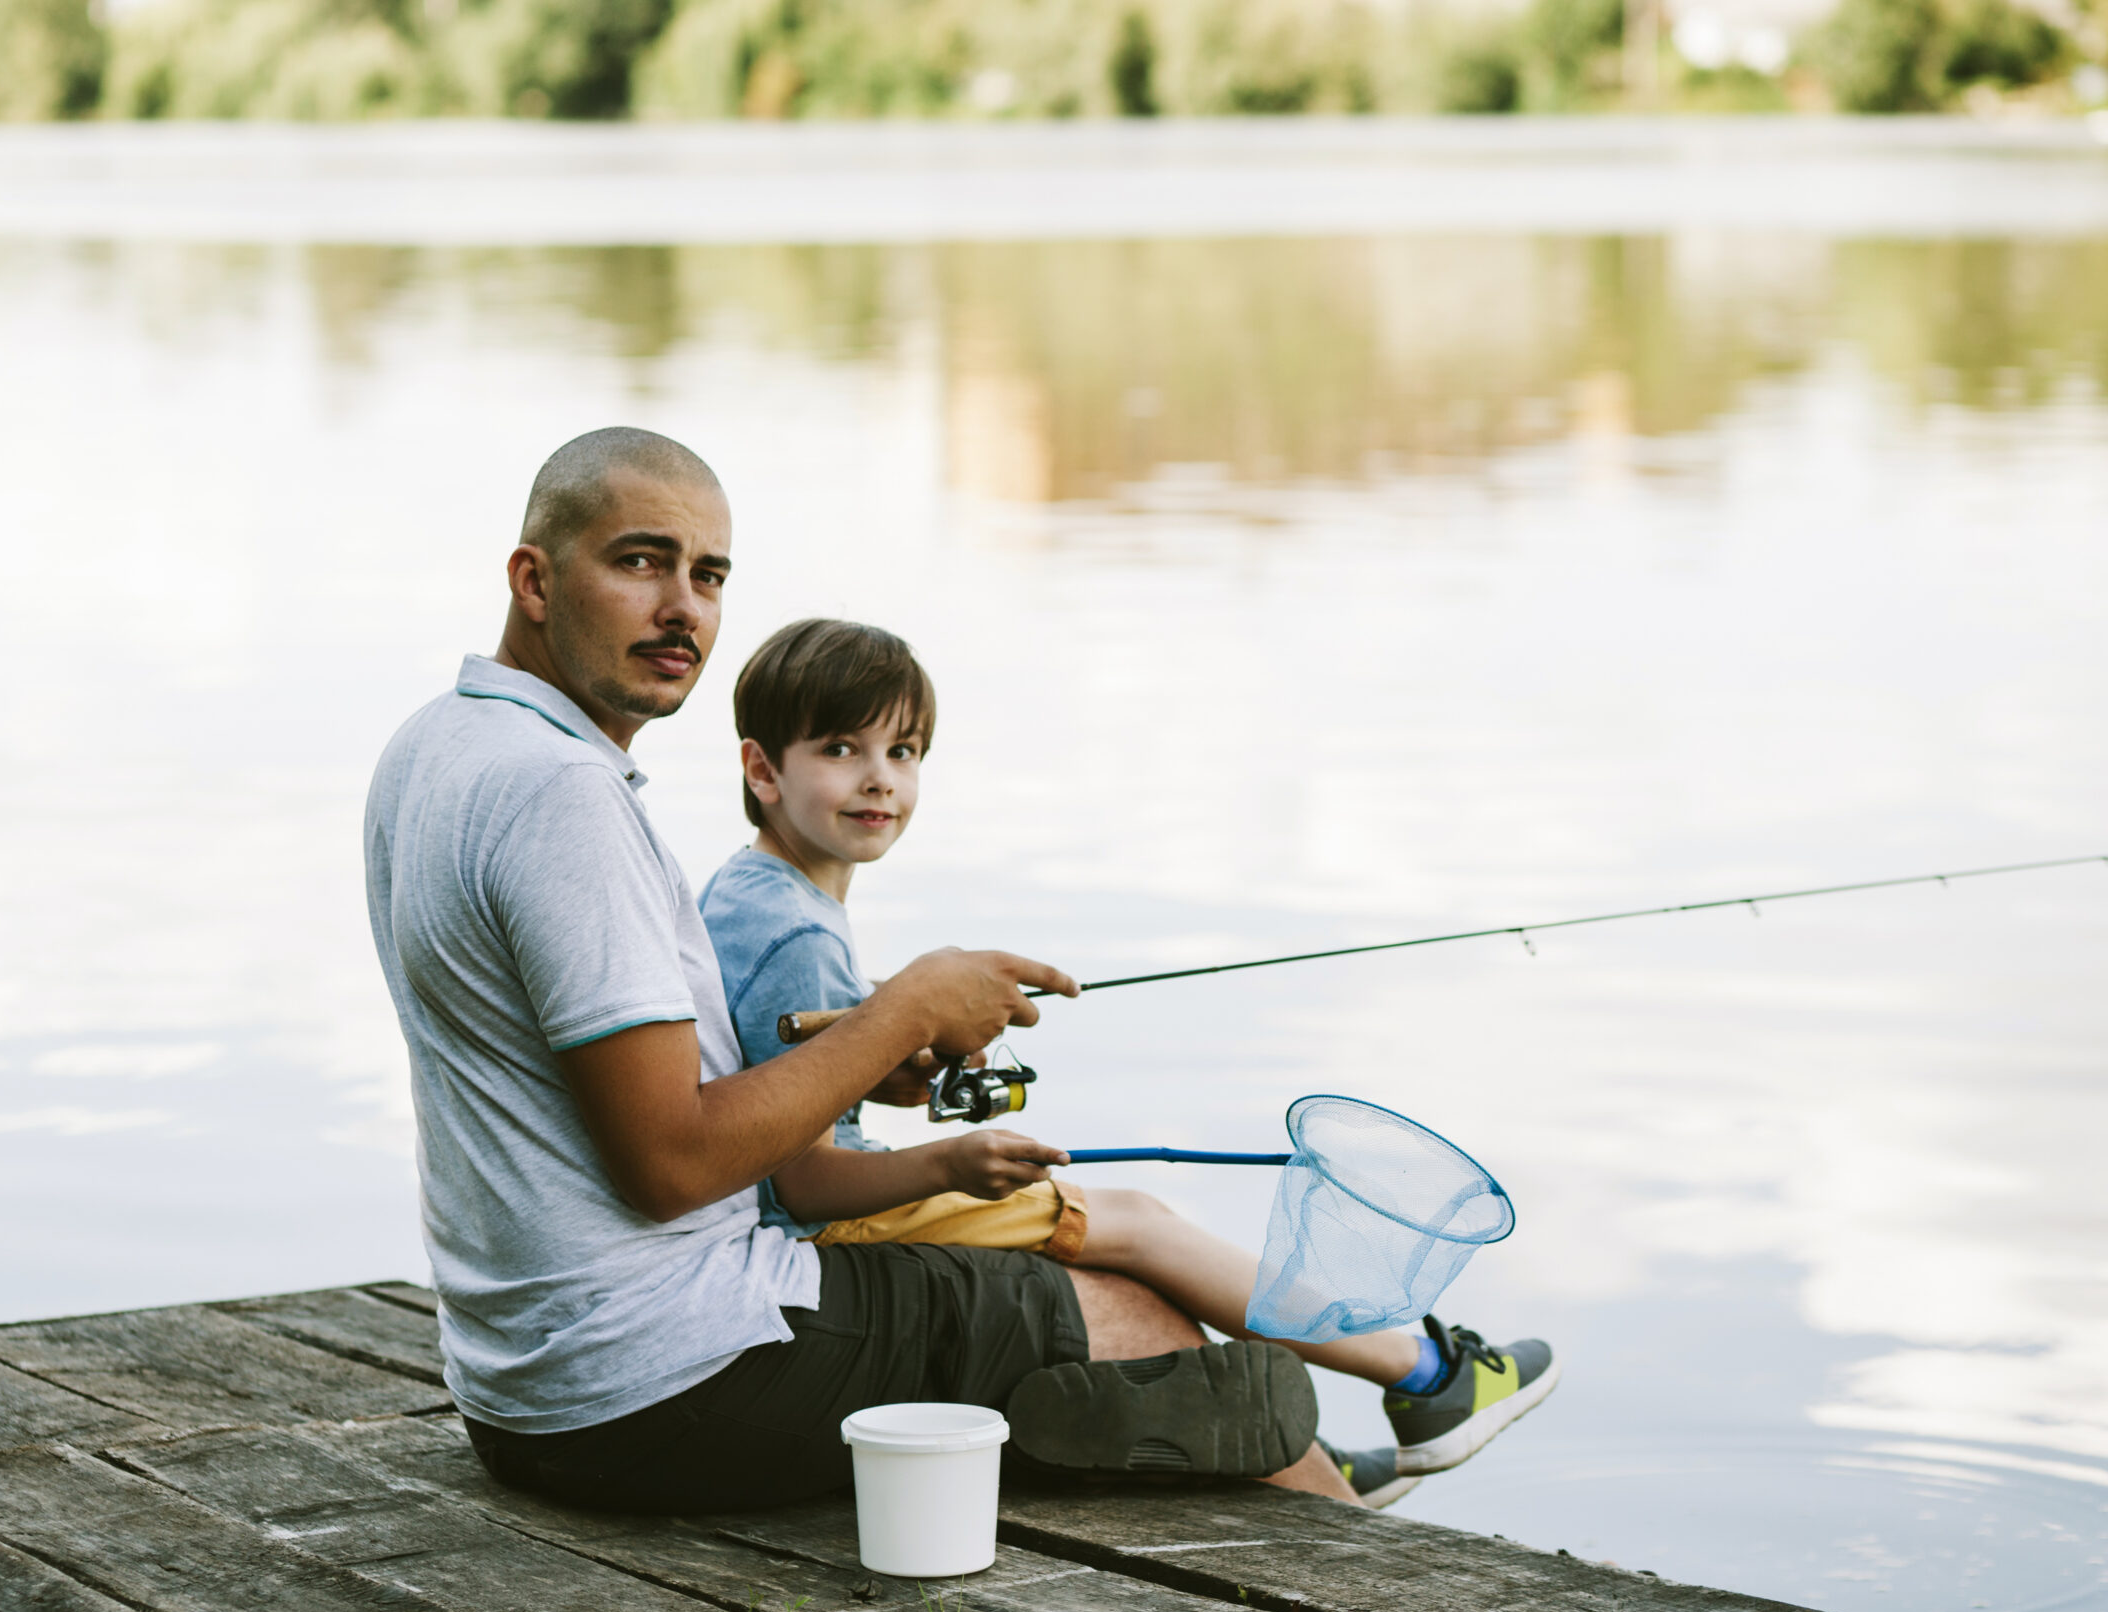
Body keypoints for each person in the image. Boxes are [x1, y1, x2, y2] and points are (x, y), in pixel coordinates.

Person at [365, 425, 1336, 1514]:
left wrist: (853, 1064)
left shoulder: (436, 746)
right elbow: (670, 1164)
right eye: (640, 561)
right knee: (1139, 1326)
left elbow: (577, 1092)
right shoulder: (562, 796)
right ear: (534, 580)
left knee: (1101, 1333)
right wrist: (908, 1004)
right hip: (671, 1378)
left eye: (710, 574)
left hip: (528, 1392)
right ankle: (1380, 1598)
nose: (683, 607)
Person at [698, 616, 1559, 1508]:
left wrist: (883, 1043)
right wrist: (949, 1162)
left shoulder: (750, 892)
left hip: (808, 1210)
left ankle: (1323, 1452)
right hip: (823, 1230)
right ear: (763, 770)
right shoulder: (795, 927)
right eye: (842, 747)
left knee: (1133, 1229)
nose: (880, 775)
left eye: (905, 749)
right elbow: (796, 1182)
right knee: (1141, 1225)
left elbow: (784, 1066)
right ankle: (1425, 1374)